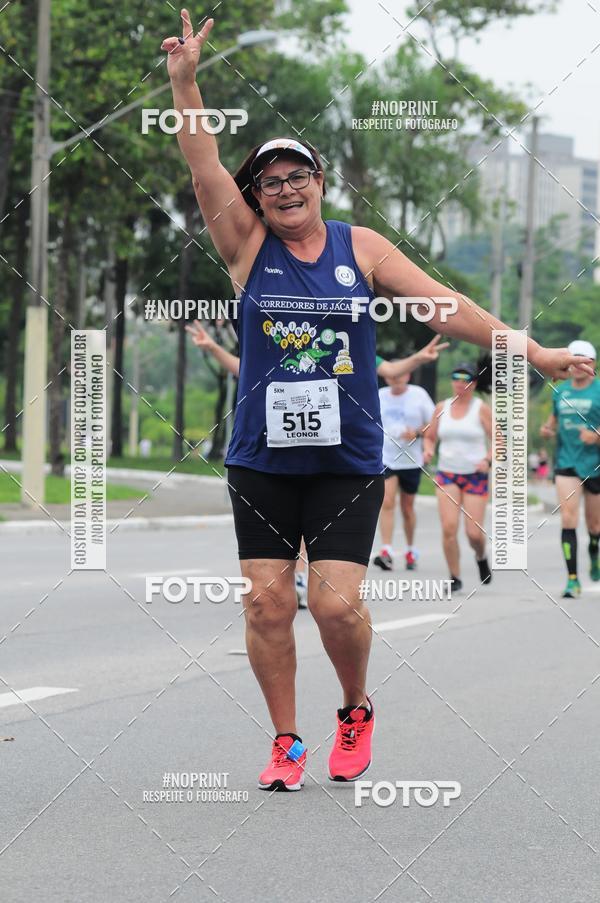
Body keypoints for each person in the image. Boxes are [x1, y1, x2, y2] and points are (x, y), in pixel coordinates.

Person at [162, 10, 593, 792]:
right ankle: (286, 741)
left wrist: (528, 349)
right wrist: (186, 82)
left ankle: (355, 709)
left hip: (347, 456)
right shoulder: (245, 247)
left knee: (331, 606)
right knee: (265, 604)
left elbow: (444, 305)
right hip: (261, 454)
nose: (285, 189)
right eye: (271, 181)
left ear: (320, 184)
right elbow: (203, 165)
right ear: (256, 196)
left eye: (299, 177)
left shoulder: (359, 249)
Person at [187, 322, 448, 600]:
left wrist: (420, 357)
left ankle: (324, 584)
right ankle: (298, 578)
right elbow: (244, 369)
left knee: (319, 527)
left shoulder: (350, 349)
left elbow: (391, 370)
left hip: (331, 452)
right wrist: (213, 347)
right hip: (285, 450)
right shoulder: (281, 350)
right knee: (292, 524)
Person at [423, 361, 493, 592]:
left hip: (475, 474)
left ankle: (481, 556)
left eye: (465, 379)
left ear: (473, 384)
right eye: (456, 378)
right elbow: (430, 436)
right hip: (447, 474)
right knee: (449, 528)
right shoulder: (442, 407)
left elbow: (499, 439)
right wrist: (429, 449)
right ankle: (455, 576)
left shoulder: (480, 408)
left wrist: (488, 460)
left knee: (473, 533)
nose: (460, 383)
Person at [540, 339, 600, 598]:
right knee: (568, 519)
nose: (577, 365)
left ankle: (594, 553)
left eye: (583, 359)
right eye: (573, 359)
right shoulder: (559, 391)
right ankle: (572, 579)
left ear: (593, 364)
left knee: (595, 526)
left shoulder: (598, 390)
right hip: (567, 463)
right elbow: (553, 421)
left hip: (595, 465)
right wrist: (547, 429)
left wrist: (597, 435)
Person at [372, 369, 435, 571]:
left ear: (407, 376)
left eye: (399, 376)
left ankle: (410, 549)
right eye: (391, 376)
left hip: (411, 459)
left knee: (407, 508)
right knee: (387, 502)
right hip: (387, 457)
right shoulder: (380, 395)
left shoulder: (419, 394)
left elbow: (434, 422)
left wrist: (417, 433)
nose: (395, 380)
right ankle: (387, 551)